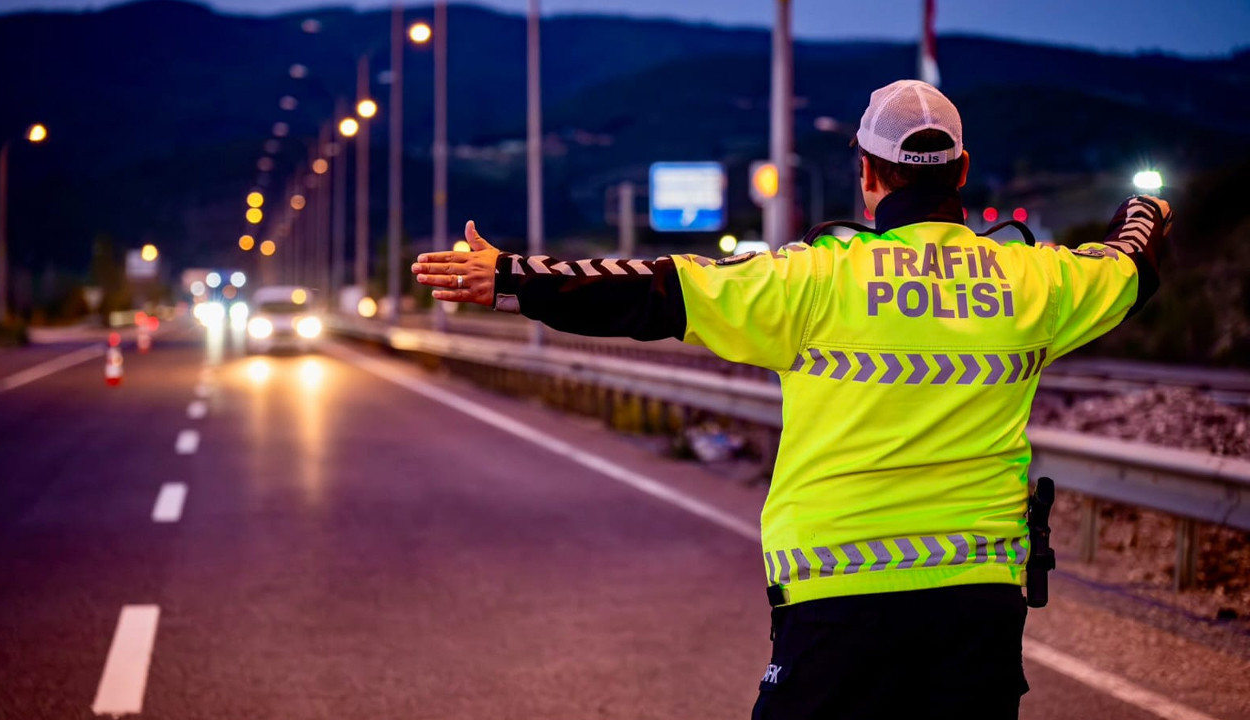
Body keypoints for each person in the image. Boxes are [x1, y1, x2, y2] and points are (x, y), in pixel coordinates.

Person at [412, 79, 1171, 719]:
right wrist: (1149, 207)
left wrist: (511, 276)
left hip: (837, 604)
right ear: (962, 170)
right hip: (979, 606)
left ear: (866, 174)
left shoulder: (813, 278)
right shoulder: (1034, 281)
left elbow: (654, 290)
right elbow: (1128, 262)